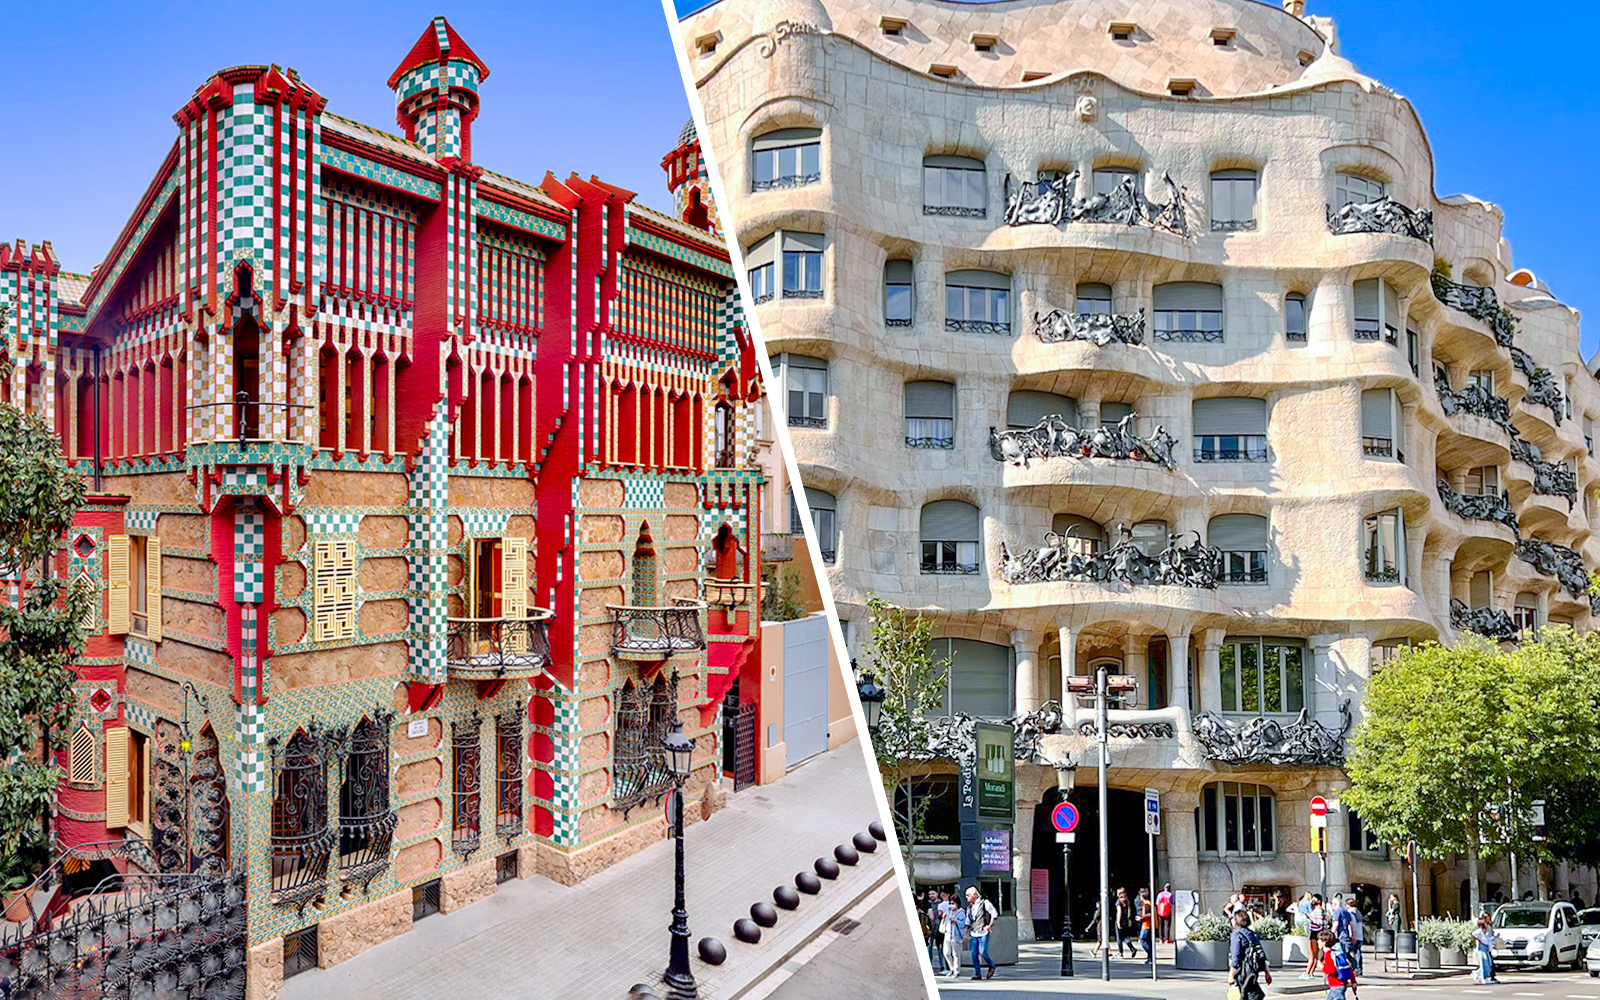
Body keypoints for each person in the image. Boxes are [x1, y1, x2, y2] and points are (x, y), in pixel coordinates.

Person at [1228, 910, 1273, 1000]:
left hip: (1242, 972)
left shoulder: (1237, 935)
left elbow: (1236, 957)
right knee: (1251, 993)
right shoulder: (1252, 934)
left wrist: (1231, 975)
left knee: (1246, 995)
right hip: (1253, 970)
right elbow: (1261, 954)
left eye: (1233, 918)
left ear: (1236, 921)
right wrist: (1267, 972)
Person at [965, 884, 998, 980]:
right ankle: (978, 973)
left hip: (983, 932)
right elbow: (968, 921)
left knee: (982, 951)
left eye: (968, 895)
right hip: (974, 932)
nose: (966, 897)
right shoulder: (970, 907)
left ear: (974, 895)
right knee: (974, 954)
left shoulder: (984, 903)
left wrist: (989, 925)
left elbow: (994, 913)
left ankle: (991, 965)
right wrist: (965, 933)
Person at [1321, 929, 1357, 1000]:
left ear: (1324, 942)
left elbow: (1332, 970)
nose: (1317, 942)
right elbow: (1349, 967)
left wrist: (1322, 967)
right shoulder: (1338, 952)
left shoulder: (1328, 954)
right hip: (1340, 984)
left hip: (1336, 985)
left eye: (1319, 941)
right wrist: (1353, 981)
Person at [1333, 897, 1363, 975]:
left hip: (1341, 936)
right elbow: (1352, 925)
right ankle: (1356, 967)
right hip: (1351, 936)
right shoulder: (1351, 912)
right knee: (1351, 953)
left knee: (1344, 954)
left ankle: (1354, 968)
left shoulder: (1340, 912)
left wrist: (1331, 934)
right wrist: (1353, 935)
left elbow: (1336, 924)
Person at [940, 892, 966, 979]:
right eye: (950, 903)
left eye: (953, 903)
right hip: (947, 934)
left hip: (956, 936)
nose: (951, 905)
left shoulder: (961, 913)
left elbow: (963, 925)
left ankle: (956, 970)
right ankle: (951, 968)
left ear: (957, 903)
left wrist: (956, 921)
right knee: (946, 952)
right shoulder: (949, 911)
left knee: (956, 954)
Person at [1302, 894, 1327, 980]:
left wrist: (1310, 918)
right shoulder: (1316, 910)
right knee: (1313, 954)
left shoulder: (1319, 910)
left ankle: (1308, 972)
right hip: (1314, 932)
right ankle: (1310, 971)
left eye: (1315, 899)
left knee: (1312, 954)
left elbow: (1319, 922)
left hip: (1315, 932)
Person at [1471, 911, 1499, 985]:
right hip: (1482, 946)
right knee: (1484, 961)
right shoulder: (1482, 926)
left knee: (1488, 963)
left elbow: (1490, 936)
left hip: (1488, 946)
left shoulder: (1489, 926)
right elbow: (1474, 935)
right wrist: (1479, 940)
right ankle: (1484, 977)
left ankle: (1481, 975)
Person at [926, 890, 946, 974]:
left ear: (937, 894)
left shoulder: (941, 904)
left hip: (939, 928)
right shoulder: (927, 904)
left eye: (933, 893)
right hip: (930, 928)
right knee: (929, 947)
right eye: (929, 894)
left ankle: (943, 965)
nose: (931, 896)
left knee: (940, 947)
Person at [1114, 887, 1135, 958]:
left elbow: (1119, 912)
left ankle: (1120, 952)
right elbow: (1129, 911)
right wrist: (1129, 919)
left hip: (1121, 921)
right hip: (1125, 921)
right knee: (1126, 936)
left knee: (1119, 938)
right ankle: (1132, 948)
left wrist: (1118, 922)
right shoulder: (1127, 901)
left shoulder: (1119, 902)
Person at [1138, 887, 1154, 964]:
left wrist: (1141, 918)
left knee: (1143, 940)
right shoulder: (1148, 903)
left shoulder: (1147, 904)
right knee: (1148, 941)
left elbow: (1149, 914)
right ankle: (1150, 957)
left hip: (1146, 925)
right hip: (1147, 925)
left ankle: (1151, 955)